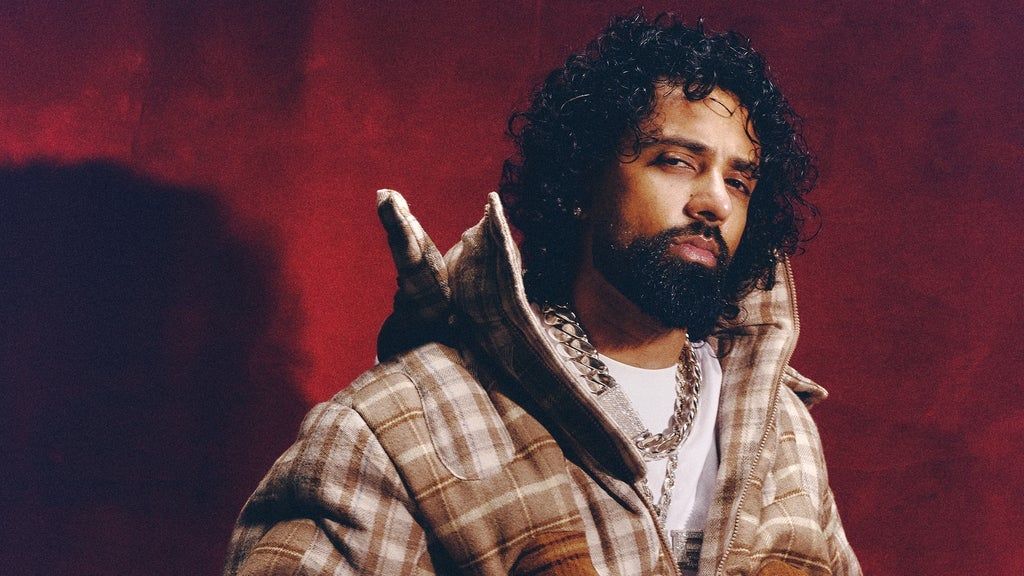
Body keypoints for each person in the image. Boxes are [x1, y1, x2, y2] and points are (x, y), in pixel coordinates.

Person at [223, 12, 860, 576]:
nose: (715, 202)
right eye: (675, 160)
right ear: (582, 185)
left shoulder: (781, 434)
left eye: (739, 181)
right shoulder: (408, 421)